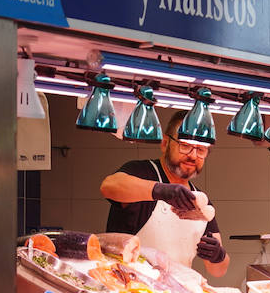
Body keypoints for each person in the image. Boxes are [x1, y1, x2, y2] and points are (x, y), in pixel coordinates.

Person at [98, 110, 230, 278]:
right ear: (165, 143)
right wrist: (161, 191)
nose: (192, 155)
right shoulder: (142, 172)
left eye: (201, 149)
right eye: (185, 145)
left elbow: (218, 270)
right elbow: (108, 186)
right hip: (127, 287)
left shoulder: (201, 203)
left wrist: (217, 254)